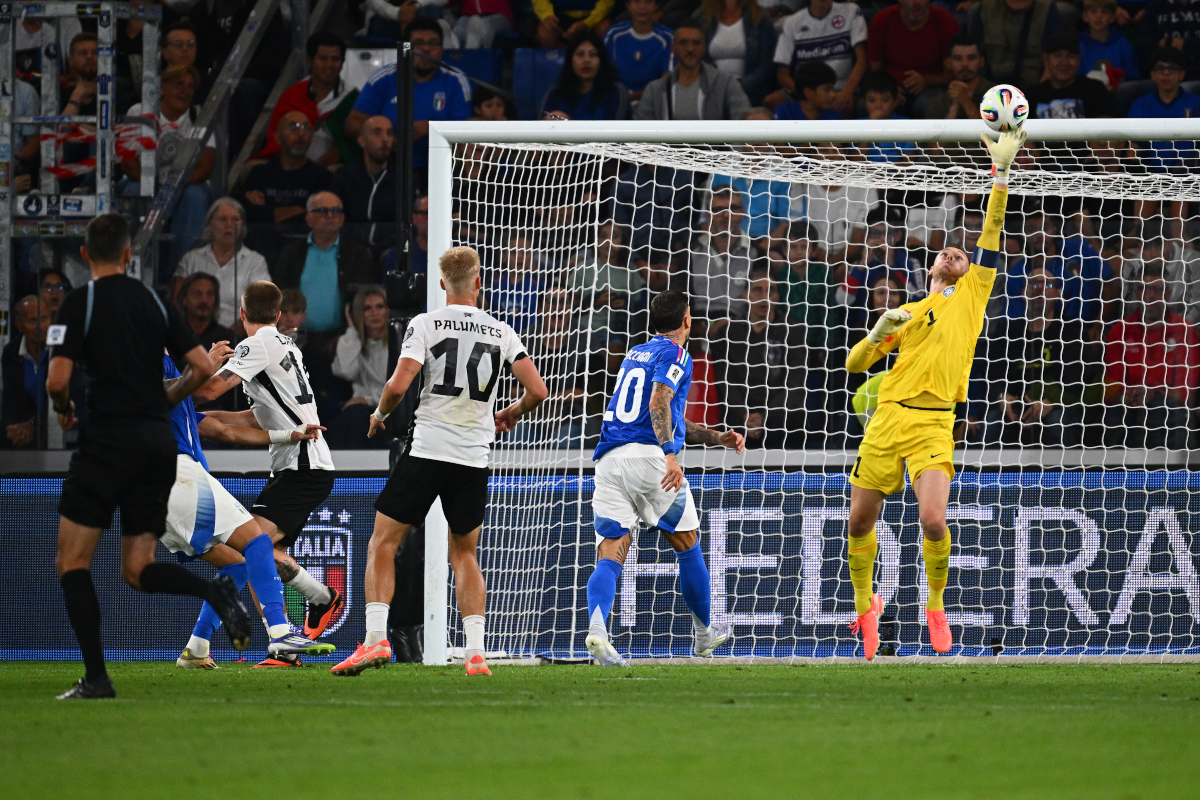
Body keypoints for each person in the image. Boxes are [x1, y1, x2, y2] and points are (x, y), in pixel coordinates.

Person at [47, 214, 250, 699]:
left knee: (72, 562)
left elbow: (56, 381)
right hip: (159, 446)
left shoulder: (79, 302)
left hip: (106, 442)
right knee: (138, 567)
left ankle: (97, 678)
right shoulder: (155, 300)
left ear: (83, 256)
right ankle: (212, 590)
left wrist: (64, 408)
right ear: (126, 255)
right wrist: (164, 399)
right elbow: (202, 366)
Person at [842, 129, 1025, 660]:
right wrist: (878, 331)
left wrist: (1000, 173)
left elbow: (991, 230)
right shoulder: (906, 314)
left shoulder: (971, 295)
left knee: (933, 520)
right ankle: (863, 607)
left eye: (960, 253)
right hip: (888, 418)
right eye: (946, 252)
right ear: (930, 268)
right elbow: (854, 366)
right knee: (858, 522)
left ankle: (936, 605)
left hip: (933, 421)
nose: (954, 252)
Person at [331, 246, 549, 677]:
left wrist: (378, 415)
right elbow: (539, 391)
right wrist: (511, 412)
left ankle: (375, 641)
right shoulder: (501, 331)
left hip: (428, 448)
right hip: (472, 455)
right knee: (464, 553)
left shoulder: (425, 324)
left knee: (383, 542)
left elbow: (399, 383)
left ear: (443, 284)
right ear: (479, 283)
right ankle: (474, 653)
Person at [582, 290, 745, 668]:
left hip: (609, 460)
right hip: (650, 459)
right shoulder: (676, 354)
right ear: (687, 320)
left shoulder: (635, 353)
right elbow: (658, 403)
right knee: (687, 543)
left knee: (610, 553)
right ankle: (704, 635)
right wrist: (671, 455)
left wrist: (714, 436)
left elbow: (664, 411)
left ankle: (597, 630)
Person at [190, 281, 345, 665]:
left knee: (251, 549)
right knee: (261, 552)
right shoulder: (285, 344)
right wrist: (201, 421)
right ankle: (311, 607)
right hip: (303, 464)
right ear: (278, 316)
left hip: (302, 464)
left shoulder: (253, 346)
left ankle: (293, 629)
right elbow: (255, 416)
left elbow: (205, 391)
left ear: (242, 314)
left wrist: (199, 373)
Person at [159, 351, 334, 668]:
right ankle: (283, 631)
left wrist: (286, 434)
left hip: (159, 496)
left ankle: (196, 649)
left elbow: (225, 429)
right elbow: (150, 391)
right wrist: (204, 369)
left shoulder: (179, 412)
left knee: (239, 564)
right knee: (257, 542)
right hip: (177, 477)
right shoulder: (147, 354)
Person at [345, 19, 472, 188]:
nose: (426, 49)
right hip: (390, 165)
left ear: (441, 50)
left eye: (433, 44)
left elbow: (468, 130)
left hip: (440, 167)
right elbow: (353, 124)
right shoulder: (385, 77)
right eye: (418, 43)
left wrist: (431, 128)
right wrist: (384, 139)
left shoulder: (455, 79)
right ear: (405, 49)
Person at [122, 64, 216, 268]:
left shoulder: (199, 117)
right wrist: (153, 186)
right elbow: (128, 163)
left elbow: (205, 167)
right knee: (133, 191)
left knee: (196, 196)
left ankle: (183, 270)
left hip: (184, 186)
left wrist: (172, 188)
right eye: (178, 84)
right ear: (163, 87)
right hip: (142, 181)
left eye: (190, 86)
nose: (185, 91)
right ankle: (132, 263)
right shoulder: (139, 111)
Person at [707, 270, 804, 446]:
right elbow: (725, 382)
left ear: (778, 296)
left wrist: (766, 416)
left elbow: (795, 382)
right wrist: (746, 415)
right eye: (758, 290)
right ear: (745, 295)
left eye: (771, 291)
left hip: (779, 414)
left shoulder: (795, 331)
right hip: (740, 415)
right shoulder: (727, 333)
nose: (764, 297)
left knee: (793, 414)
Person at [979, 266, 1074, 445]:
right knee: (991, 425)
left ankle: (1064, 474)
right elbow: (993, 373)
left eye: (1047, 285)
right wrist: (1002, 397)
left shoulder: (1071, 331)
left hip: (1055, 405)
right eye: (1033, 284)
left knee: (1056, 423)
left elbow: (1076, 379)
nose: (1039, 288)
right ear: (1023, 292)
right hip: (1015, 407)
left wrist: (1050, 401)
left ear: (1057, 294)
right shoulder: (1006, 332)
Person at [254, 31, 350, 166]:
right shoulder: (293, 95)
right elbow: (277, 139)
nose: (329, 65)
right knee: (251, 169)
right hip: (289, 164)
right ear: (310, 61)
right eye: (323, 59)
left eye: (335, 59)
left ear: (342, 62)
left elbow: (343, 149)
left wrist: (310, 173)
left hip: (328, 170)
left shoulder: (352, 99)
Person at [174, 198, 272, 329]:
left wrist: (228, 337)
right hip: (195, 336)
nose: (229, 224)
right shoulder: (191, 259)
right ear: (210, 225)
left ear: (242, 226)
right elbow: (178, 304)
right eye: (222, 219)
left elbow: (261, 308)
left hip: (238, 339)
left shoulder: (255, 262)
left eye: (235, 220)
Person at [243, 111, 334, 250]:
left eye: (306, 128)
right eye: (293, 127)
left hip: (304, 247)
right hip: (261, 246)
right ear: (278, 138)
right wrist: (296, 211)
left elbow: (318, 219)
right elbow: (248, 214)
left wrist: (268, 212)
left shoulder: (323, 177)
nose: (301, 133)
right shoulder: (259, 173)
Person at [635, 22, 751, 120]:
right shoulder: (655, 90)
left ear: (704, 48)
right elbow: (641, 136)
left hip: (713, 147)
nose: (690, 49)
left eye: (696, 43)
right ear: (673, 48)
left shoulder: (726, 84)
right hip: (668, 147)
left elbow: (745, 124)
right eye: (683, 43)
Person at [773, 0, 867, 116]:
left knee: (845, 105)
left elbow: (862, 60)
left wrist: (846, 92)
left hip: (840, 89)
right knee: (773, 101)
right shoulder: (792, 22)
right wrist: (809, 95)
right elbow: (782, 75)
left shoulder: (850, 11)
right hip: (805, 92)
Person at [866, 0, 959, 115]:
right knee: (870, 105)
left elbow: (952, 75)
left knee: (925, 104)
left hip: (932, 87)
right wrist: (890, 88)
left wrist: (926, 80)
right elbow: (875, 70)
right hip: (891, 85)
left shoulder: (945, 21)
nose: (916, 2)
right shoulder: (881, 20)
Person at [329, 286, 390, 449]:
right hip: (360, 410)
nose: (374, 313)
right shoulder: (351, 341)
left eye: (380, 307)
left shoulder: (400, 342)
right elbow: (346, 372)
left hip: (391, 411)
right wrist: (352, 331)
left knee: (356, 418)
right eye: (367, 308)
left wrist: (367, 399)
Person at [330, 115, 397, 256]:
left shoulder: (405, 178)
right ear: (361, 141)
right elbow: (336, 221)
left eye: (389, 133)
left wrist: (376, 250)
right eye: (377, 133)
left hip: (389, 252)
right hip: (349, 252)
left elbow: (407, 227)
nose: (385, 139)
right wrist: (357, 250)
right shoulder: (343, 177)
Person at [967, 0, 1064, 90]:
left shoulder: (1047, 10)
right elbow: (974, 54)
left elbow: (1055, 57)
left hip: (1034, 87)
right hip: (991, 89)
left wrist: (1038, 93)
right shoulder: (985, 9)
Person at [698, 0, 778, 106]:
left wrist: (741, 86)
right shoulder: (701, 17)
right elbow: (698, 59)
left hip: (750, 90)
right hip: (713, 88)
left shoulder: (760, 17)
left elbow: (767, 63)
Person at [540, 30, 631, 120]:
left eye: (593, 54)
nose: (586, 60)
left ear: (601, 60)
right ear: (570, 60)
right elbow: (540, 128)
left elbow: (613, 130)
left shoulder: (616, 92)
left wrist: (571, 128)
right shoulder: (556, 93)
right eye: (580, 54)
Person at [2, 296, 53, 449]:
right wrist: (16, 429)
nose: (41, 326)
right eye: (32, 321)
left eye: (44, 318)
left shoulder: (61, 347)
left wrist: (33, 424)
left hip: (58, 425)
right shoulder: (11, 351)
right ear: (19, 325)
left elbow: (69, 397)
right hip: (26, 430)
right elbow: (11, 398)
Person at [1026, 33, 1114, 119]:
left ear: (1079, 60)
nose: (1064, 62)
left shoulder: (1095, 90)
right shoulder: (1031, 96)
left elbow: (1107, 129)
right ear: (1045, 59)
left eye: (1071, 56)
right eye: (1057, 56)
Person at [604, 0, 673, 100]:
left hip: (653, 101)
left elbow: (667, 82)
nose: (642, 6)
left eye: (648, 2)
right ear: (628, 5)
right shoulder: (613, 34)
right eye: (637, 1)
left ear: (656, 6)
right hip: (616, 99)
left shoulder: (668, 38)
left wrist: (635, 96)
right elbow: (602, 71)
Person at [925, 35, 988, 120]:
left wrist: (966, 102)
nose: (964, 64)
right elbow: (937, 133)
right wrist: (954, 107)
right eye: (958, 59)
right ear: (949, 63)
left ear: (982, 62)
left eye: (971, 58)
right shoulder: (938, 104)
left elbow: (995, 132)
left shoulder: (999, 95)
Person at [174, 272, 236, 357]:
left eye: (209, 294)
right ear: (184, 299)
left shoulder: (227, 339)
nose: (204, 300)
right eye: (197, 294)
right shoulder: (172, 337)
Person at [1079, 0, 1139, 85]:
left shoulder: (1124, 45)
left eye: (1104, 12)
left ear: (1112, 18)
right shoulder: (1079, 45)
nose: (1098, 16)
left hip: (1118, 93)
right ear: (1085, 16)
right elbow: (1077, 77)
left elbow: (1132, 78)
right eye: (1093, 12)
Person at [1139, 0, 1200, 80]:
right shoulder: (1154, 8)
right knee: (1125, 90)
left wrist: (1184, 46)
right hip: (1162, 77)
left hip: (1197, 76)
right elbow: (1146, 53)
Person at [774, 61, 842, 120]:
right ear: (808, 93)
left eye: (833, 89)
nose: (833, 95)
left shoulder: (834, 116)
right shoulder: (785, 112)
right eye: (827, 90)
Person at [535, 0, 614, 49]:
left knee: (605, 28)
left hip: (592, 18)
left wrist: (587, 23)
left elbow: (606, 2)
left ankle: (599, 63)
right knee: (544, 34)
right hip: (559, 16)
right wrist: (547, 16)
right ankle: (564, 60)